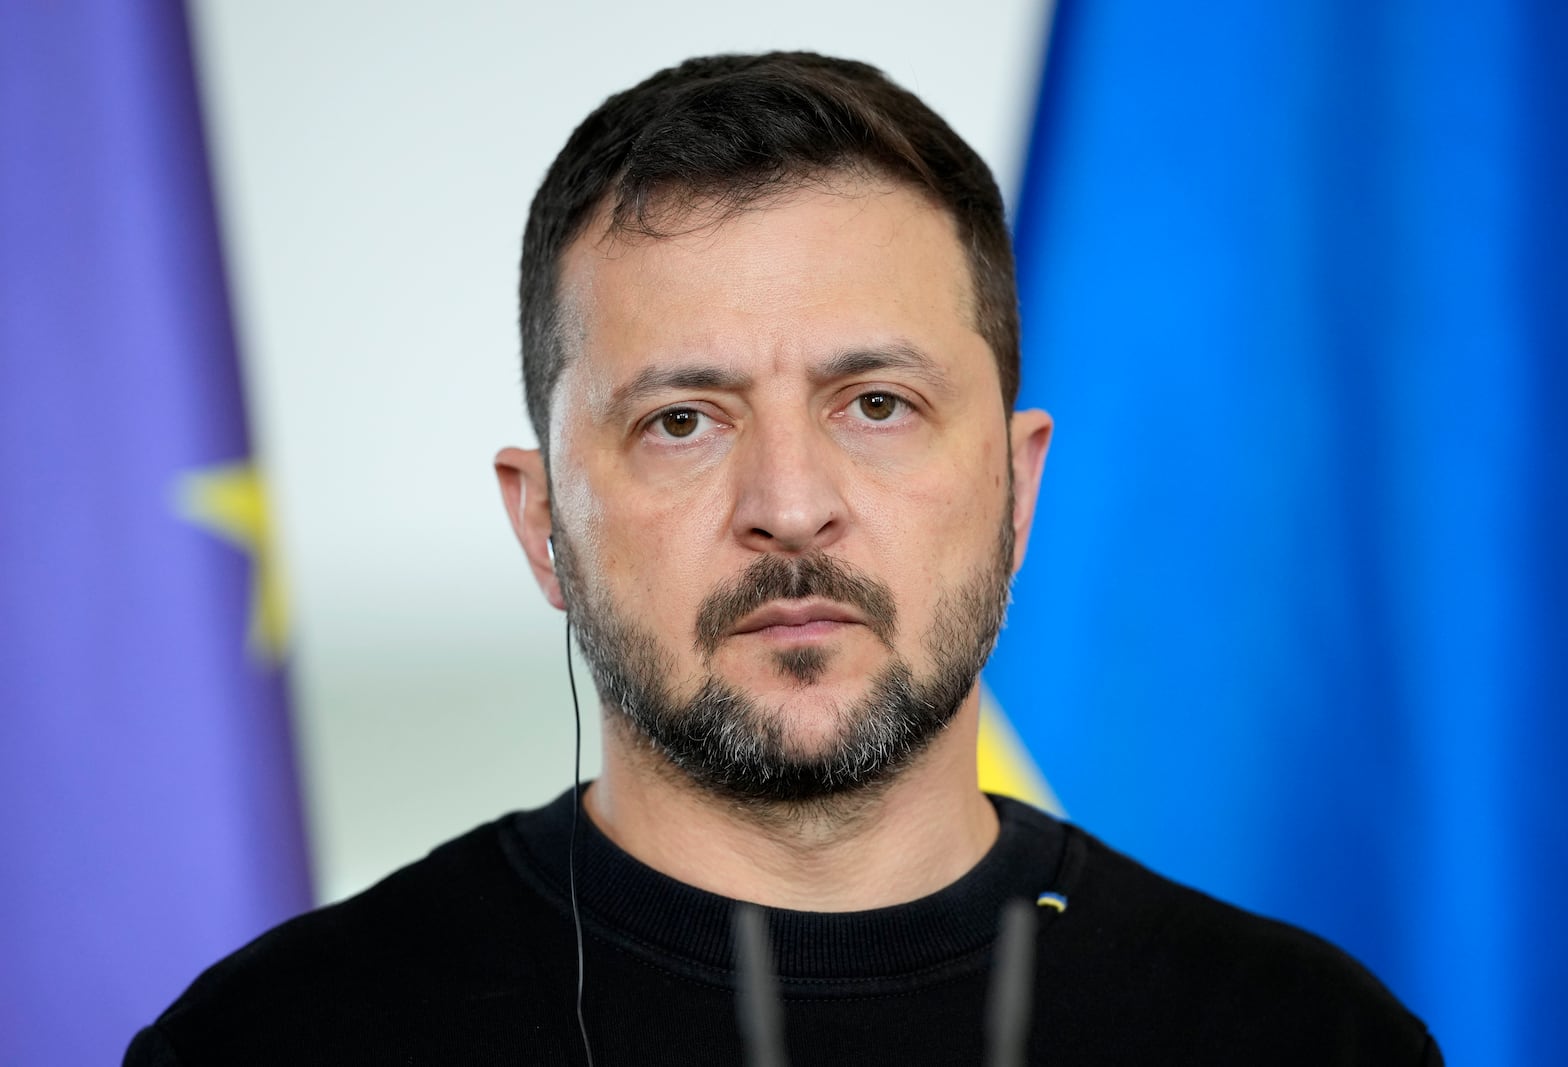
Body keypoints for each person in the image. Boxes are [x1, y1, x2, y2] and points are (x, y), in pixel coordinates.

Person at [126, 52, 1441, 1065]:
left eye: (875, 403)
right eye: (682, 422)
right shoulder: (278, 1045)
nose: (792, 505)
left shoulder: (1302, 1040)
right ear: (542, 524)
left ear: (1017, 485)